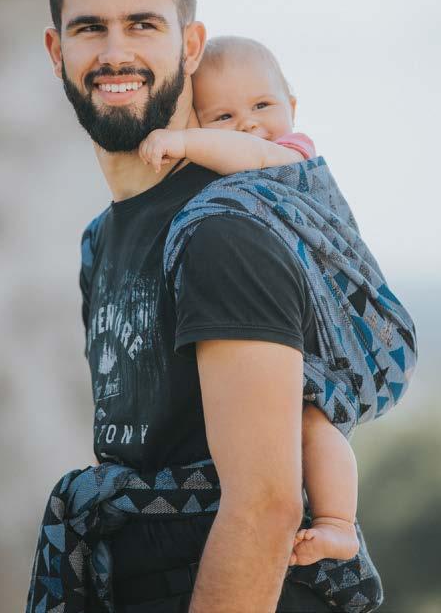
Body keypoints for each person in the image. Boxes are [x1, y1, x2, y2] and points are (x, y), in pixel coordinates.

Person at [37, 0, 391, 613]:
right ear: (57, 52)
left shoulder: (222, 229)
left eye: (143, 23)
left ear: (189, 45)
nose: (115, 52)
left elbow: (262, 507)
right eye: (88, 28)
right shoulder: (100, 240)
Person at [139, 35, 359, 566]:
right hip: (281, 322)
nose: (248, 123)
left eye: (262, 105)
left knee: (313, 423)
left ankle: (338, 523)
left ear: (292, 107)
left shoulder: (291, 153)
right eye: (223, 115)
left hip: (323, 326)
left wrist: (186, 142)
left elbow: (252, 156)